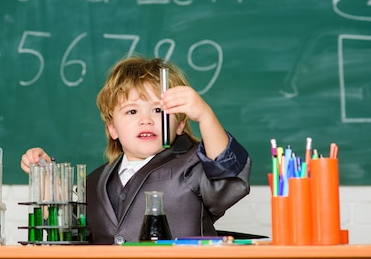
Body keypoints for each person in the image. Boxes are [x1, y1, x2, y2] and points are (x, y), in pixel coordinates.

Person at [21, 56, 251, 244]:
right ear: (113, 129)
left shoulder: (193, 166)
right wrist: (47, 180)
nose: (146, 120)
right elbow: (68, 233)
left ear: (180, 123)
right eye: (132, 112)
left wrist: (205, 116)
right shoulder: (93, 182)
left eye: (158, 111)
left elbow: (227, 176)